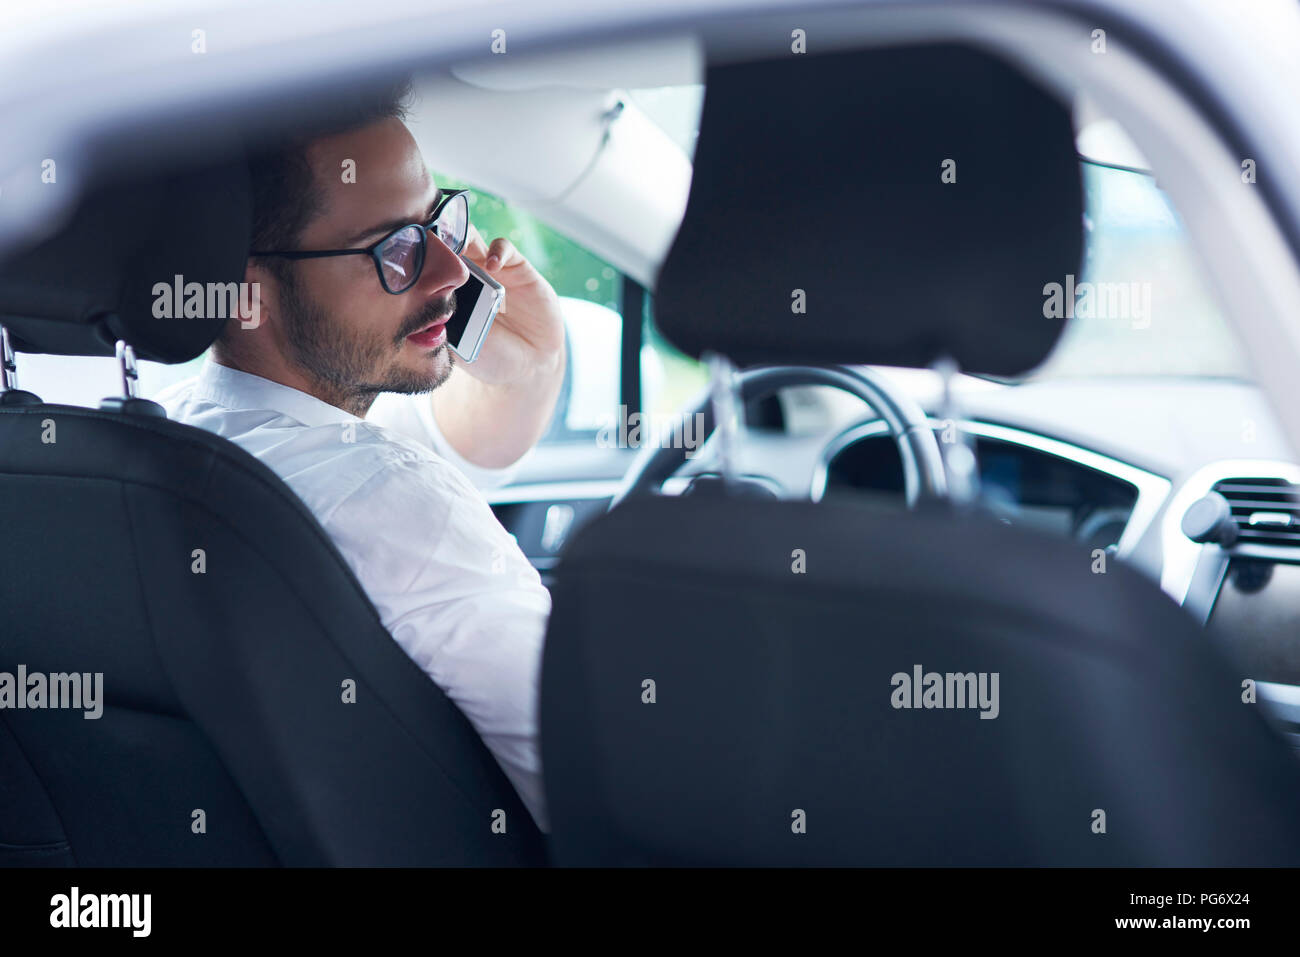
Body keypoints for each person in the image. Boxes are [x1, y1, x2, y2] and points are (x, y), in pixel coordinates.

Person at [154, 78, 564, 833]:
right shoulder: (393, 506)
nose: (450, 273)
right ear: (247, 294)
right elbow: (601, 789)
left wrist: (534, 366)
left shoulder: (157, 447)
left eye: (437, 223)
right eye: (396, 248)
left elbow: (435, 449)